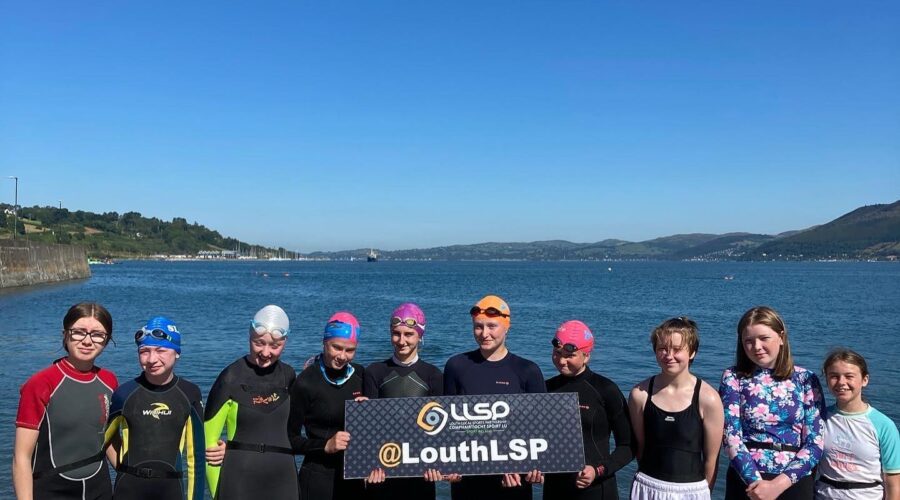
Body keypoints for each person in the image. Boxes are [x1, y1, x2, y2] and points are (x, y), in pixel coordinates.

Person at [443, 295, 545, 500]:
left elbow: (541, 429)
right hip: (467, 482)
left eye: (492, 326)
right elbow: (447, 424)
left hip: (513, 480)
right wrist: (448, 466)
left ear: (507, 326)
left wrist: (536, 469)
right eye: (478, 327)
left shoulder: (527, 370)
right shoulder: (456, 366)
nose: (484, 334)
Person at [13, 302, 118, 500]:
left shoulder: (109, 381)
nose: (87, 341)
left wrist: (134, 477)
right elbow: (22, 457)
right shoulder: (40, 383)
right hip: (52, 489)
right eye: (79, 332)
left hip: (100, 488)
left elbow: (109, 439)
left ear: (106, 340)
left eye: (97, 334)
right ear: (65, 334)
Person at [719, 306, 825, 500]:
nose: (756, 346)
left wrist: (778, 485)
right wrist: (755, 482)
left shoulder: (806, 379)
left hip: (793, 481)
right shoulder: (733, 377)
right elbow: (730, 435)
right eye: (748, 341)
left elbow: (815, 443)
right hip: (747, 481)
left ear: (781, 337)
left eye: (763, 338)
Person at [104, 316, 205, 500]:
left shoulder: (189, 394)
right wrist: (122, 468)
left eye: (161, 350)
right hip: (128, 488)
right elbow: (104, 440)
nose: (151, 359)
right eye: (144, 351)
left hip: (170, 489)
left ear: (177, 352)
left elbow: (196, 459)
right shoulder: (124, 394)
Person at [204, 305, 298, 499]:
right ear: (249, 335)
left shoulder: (289, 376)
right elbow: (208, 446)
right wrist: (218, 494)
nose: (265, 352)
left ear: (285, 342)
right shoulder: (230, 378)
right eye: (258, 343)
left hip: (283, 480)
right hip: (239, 480)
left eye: (275, 346)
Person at [628, 317, 724, 500]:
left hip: (692, 490)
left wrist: (704, 493)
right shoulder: (640, 394)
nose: (669, 355)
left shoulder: (708, 399)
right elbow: (640, 447)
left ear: (692, 352)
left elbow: (711, 460)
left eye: (677, 349)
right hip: (648, 485)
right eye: (662, 349)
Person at [543, 320, 634, 500]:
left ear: (586, 356)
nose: (561, 360)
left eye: (570, 355)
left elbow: (629, 446)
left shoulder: (606, 390)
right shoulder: (546, 388)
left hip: (597, 488)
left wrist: (597, 470)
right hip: (555, 489)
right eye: (557, 353)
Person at [363, 302, 444, 499]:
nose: (401, 340)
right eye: (396, 333)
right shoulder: (375, 372)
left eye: (409, 334)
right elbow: (368, 427)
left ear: (420, 335)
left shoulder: (433, 375)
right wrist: (367, 465)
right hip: (382, 470)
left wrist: (439, 465)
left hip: (421, 471)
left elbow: (441, 427)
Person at [288, 311, 366, 500]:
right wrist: (325, 445)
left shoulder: (362, 376)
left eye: (350, 350)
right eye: (336, 347)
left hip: (355, 478)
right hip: (317, 477)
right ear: (324, 343)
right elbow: (290, 439)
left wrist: (371, 413)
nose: (342, 356)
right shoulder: (306, 382)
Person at [815, 349, 900, 500]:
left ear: (864, 380)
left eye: (849, 376)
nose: (841, 382)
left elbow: (893, 482)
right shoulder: (819, 418)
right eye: (834, 376)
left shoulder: (884, 425)